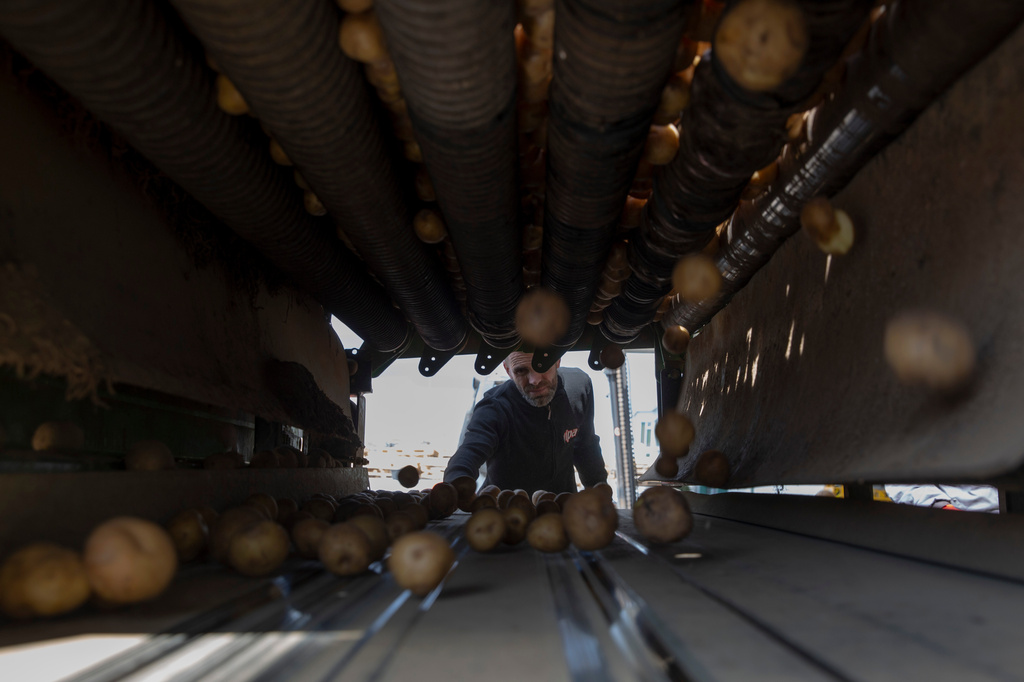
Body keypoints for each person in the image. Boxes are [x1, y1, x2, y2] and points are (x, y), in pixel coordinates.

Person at [443, 352, 607, 494]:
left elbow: (586, 447)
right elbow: (470, 452)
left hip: (561, 509)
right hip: (506, 514)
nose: (535, 380)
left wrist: (599, 491)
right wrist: (454, 488)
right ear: (508, 371)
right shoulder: (495, 408)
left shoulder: (579, 388)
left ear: (557, 360)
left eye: (542, 366)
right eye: (521, 371)